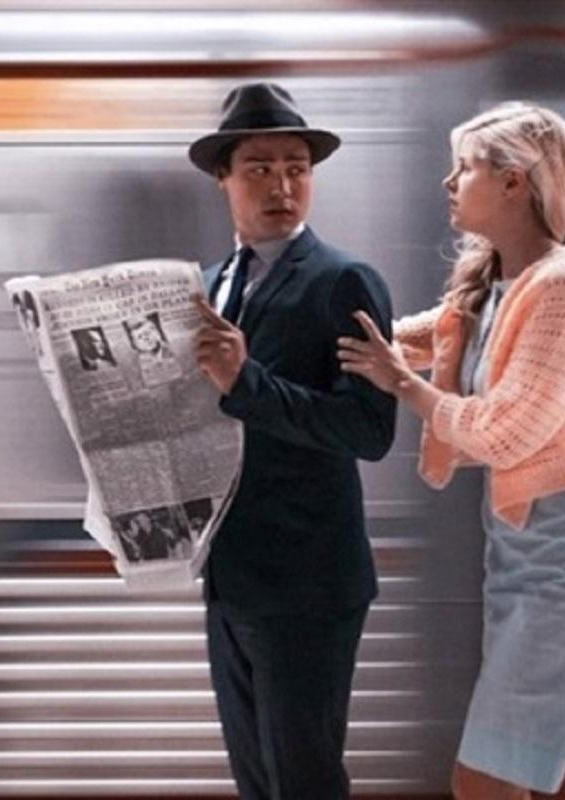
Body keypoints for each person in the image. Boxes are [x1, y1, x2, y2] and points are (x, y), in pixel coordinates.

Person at [338, 102, 565, 799]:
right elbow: (395, 341)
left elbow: (504, 432)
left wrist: (403, 386)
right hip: (522, 562)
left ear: (513, 182)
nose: (449, 182)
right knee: (559, 776)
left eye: (465, 167)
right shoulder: (492, 290)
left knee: (482, 781)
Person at [188, 82, 397, 799]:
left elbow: (369, 429)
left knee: (304, 783)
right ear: (223, 178)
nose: (282, 186)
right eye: (259, 169)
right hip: (230, 580)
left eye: (296, 168)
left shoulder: (343, 282)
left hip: (308, 583)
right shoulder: (211, 285)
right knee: (257, 783)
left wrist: (246, 382)